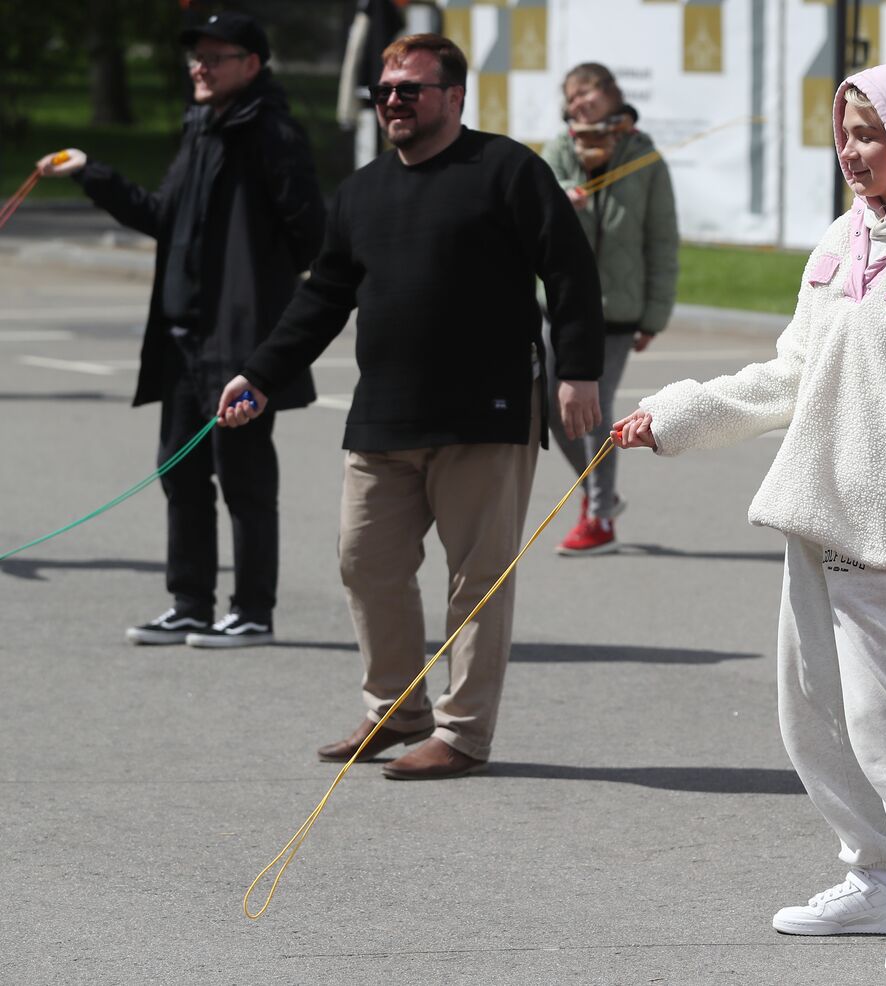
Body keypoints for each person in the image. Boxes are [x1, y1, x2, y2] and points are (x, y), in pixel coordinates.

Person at [612, 63, 886, 977]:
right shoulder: (847, 239)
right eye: (845, 132)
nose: (852, 153)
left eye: (872, 134)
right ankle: (878, 878)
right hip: (816, 516)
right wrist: (677, 417)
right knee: (812, 716)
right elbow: (790, 373)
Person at [217, 34, 605, 781]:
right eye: (384, 90)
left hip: (485, 414)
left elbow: (569, 271)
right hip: (384, 415)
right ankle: (396, 709)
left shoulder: (506, 171)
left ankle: (462, 734)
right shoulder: (362, 192)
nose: (392, 100)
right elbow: (324, 296)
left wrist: (578, 371)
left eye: (410, 89)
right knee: (365, 561)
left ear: (454, 97)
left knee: (477, 579)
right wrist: (260, 374)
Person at [37, 12, 325, 649]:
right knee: (179, 469)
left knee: (244, 476)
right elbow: (164, 216)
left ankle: (252, 611)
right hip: (183, 336)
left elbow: (310, 228)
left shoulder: (271, 132)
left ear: (251, 64)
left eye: (216, 57)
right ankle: (189, 603)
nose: (200, 66)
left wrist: (268, 298)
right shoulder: (202, 126)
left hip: (241, 339)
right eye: (197, 56)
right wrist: (92, 172)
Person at [539, 63, 678, 555]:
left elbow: (661, 241)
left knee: (592, 410)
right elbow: (531, 205)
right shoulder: (559, 149)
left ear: (612, 94)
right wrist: (559, 201)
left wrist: (654, 315)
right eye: (571, 96)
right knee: (551, 409)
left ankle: (599, 518)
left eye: (586, 92)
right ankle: (600, 494)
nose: (579, 103)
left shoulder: (644, 157)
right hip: (560, 306)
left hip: (617, 313)